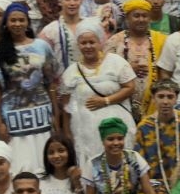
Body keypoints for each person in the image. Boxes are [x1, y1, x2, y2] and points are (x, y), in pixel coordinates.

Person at [0, 3, 60, 175]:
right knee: (19, 166)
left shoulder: (42, 47)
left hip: (41, 113)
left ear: (28, 22)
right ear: (6, 23)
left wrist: (56, 114)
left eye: (21, 20)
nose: (17, 24)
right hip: (13, 117)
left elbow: (50, 82)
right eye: (13, 20)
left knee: (44, 163)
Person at [58, 20, 136, 167]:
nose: (88, 46)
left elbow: (130, 87)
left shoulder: (116, 62)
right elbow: (66, 108)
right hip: (85, 134)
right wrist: (68, 136)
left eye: (92, 42)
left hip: (116, 130)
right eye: (83, 43)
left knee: (121, 168)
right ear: (78, 45)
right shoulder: (71, 72)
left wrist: (106, 100)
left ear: (100, 42)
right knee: (92, 170)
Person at [136, 78, 180, 194]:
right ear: (153, 98)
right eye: (160, 96)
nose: (165, 101)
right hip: (155, 190)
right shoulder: (144, 127)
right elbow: (139, 167)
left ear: (176, 99)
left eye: (170, 97)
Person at [112, 0, 164, 124]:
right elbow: (106, 74)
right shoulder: (114, 42)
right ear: (127, 18)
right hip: (123, 105)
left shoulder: (162, 40)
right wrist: (128, 71)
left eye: (145, 16)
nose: (141, 19)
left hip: (154, 106)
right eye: (136, 16)